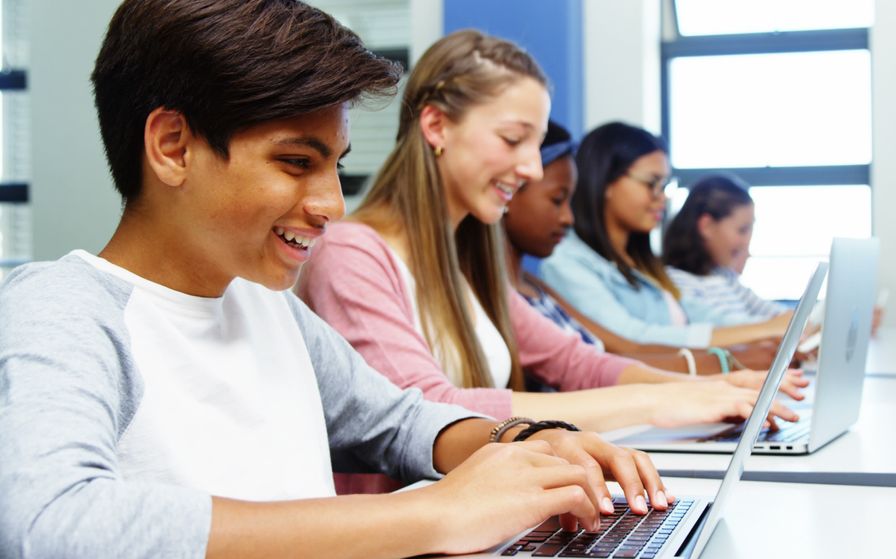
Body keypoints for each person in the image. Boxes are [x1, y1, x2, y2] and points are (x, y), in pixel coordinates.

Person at [0, 3, 679, 559]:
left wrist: (522, 442)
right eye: (297, 162)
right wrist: (429, 515)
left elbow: (401, 420)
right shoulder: (63, 307)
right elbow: (52, 523)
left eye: (335, 166)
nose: (331, 204)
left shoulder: (270, 309)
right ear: (173, 146)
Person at [295, 31, 802, 444]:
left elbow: (574, 361)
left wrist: (708, 387)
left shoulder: (467, 258)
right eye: (514, 140)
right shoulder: (351, 254)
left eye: (535, 145)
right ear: (436, 125)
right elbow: (429, 410)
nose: (532, 168)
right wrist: (661, 402)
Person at [503, 121, 785, 373]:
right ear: (607, 183)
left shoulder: (642, 265)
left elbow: (698, 316)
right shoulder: (564, 265)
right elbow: (628, 342)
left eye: (664, 185)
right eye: (652, 184)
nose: (660, 197)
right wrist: (732, 355)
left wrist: (764, 333)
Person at [662, 174, 793, 325]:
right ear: (707, 226)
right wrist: (774, 326)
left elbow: (777, 313)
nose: (746, 241)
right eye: (742, 230)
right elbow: (716, 328)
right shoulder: (677, 281)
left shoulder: (726, 277)